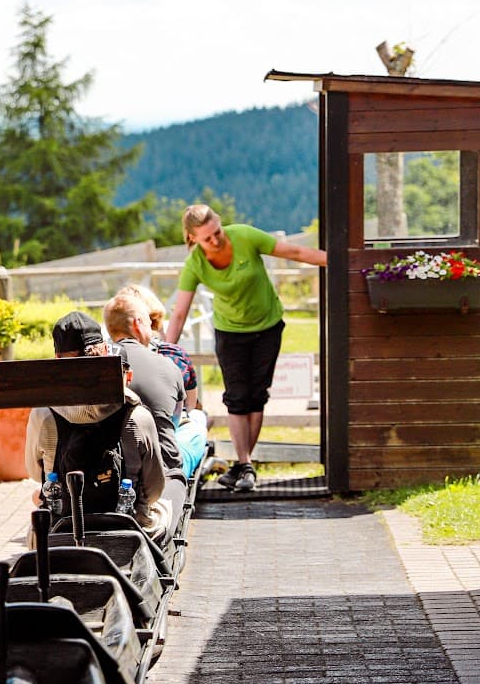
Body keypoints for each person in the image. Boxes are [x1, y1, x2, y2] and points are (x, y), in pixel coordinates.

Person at [163, 204, 325, 492]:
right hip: (231, 332)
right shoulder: (195, 264)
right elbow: (179, 314)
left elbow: (295, 253)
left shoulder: (245, 237)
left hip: (267, 325)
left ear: (220, 223)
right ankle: (245, 462)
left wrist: (338, 261)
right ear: (193, 239)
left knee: (257, 394)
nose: (215, 240)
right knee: (237, 396)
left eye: (216, 232)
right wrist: (164, 353)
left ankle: (242, 466)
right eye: (207, 238)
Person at [24, 311, 169, 536]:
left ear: (58, 362)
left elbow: (35, 473)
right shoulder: (136, 416)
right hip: (128, 528)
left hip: (61, 528)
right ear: (104, 359)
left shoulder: (43, 414)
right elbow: (154, 489)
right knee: (165, 508)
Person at [101, 291, 185, 477]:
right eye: (149, 321)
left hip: (107, 469)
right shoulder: (168, 366)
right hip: (163, 469)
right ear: (137, 323)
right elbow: (174, 421)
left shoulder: (97, 367)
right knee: (195, 428)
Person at [115, 282, 199, 408]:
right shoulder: (174, 355)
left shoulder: (110, 354)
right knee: (200, 416)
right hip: (170, 424)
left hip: (120, 425)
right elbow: (190, 404)